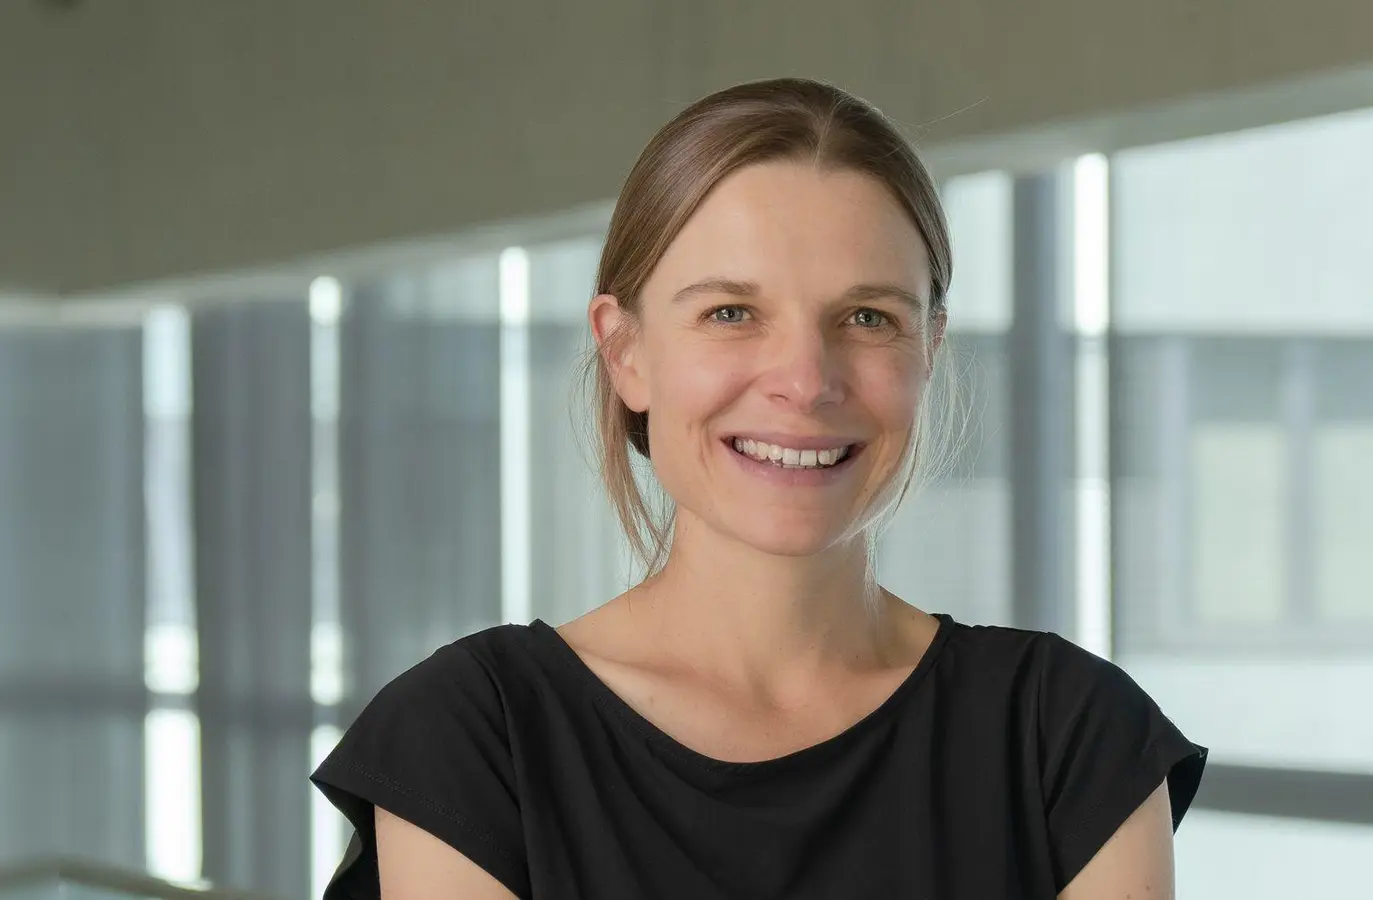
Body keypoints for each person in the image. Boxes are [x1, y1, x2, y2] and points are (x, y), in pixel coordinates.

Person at [311, 76, 1205, 900]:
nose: (806, 380)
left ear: (929, 348)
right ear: (625, 352)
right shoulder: (473, 739)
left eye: (867, 317)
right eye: (731, 313)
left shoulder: (1071, 739)